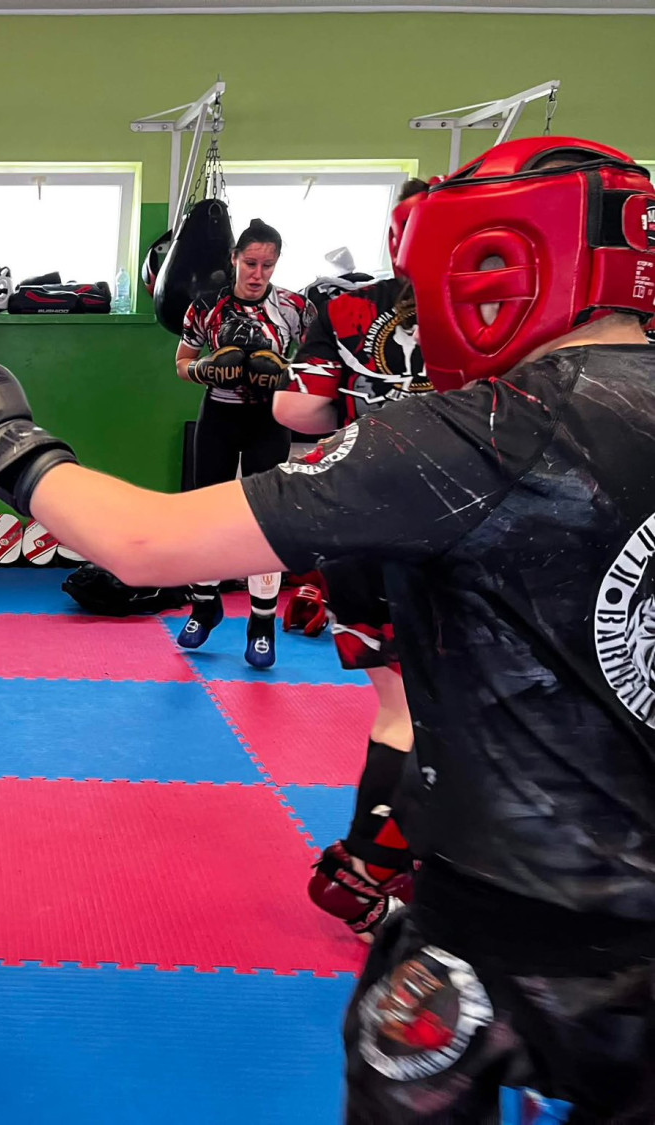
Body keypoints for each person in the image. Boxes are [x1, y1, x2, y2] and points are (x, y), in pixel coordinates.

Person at [0, 136, 655, 1122]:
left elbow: (144, 542)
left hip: (499, 924)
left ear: (493, 263)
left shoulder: (485, 433)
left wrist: (1, 441)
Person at [270, 180, 434, 940]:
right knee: (457, 712)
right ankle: (371, 870)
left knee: (401, 709)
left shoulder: (348, 307)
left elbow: (296, 412)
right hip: (463, 533)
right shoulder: (518, 317)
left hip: (360, 525)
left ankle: (381, 870)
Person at [173, 219, 313, 668]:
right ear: (234, 259)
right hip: (219, 416)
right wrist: (205, 370)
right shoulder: (206, 306)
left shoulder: (294, 308)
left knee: (264, 521)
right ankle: (204, 608)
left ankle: (261, 625)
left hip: (269, 420)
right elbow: (182, 361)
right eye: (250, 263)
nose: (258, 273)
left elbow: (317, 366)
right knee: (206, 515)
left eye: (267, 265)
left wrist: (286, 374)